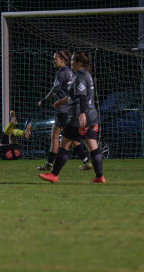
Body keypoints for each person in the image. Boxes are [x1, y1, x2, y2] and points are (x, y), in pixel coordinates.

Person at [39, 52, 105, 184]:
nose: (71, 63)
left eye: (73, 60)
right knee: (93, 146)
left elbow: (81, 97)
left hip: (78, 118)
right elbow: (75, 94)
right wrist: (61, 102)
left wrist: (82, 113)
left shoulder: (80, 76)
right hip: (92, 116)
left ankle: (54, 174)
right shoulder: (87, 74)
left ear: (80, 63)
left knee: (64, 144)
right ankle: (99, 177)